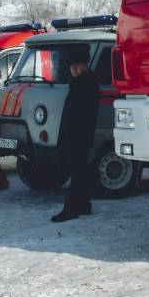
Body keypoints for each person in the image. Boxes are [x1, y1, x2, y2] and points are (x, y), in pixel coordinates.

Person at [51, 45, 100, 223]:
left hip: (79, 133)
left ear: (84, 65)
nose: (73, 70)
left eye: (76, 66)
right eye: (72, 66)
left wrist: (70, 133)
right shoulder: (84, 81)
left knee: (77, 171)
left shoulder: (84, 83)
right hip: (80, 133)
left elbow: (80, 113)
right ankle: (84, 204)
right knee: (81, 169)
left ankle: (71, 208)